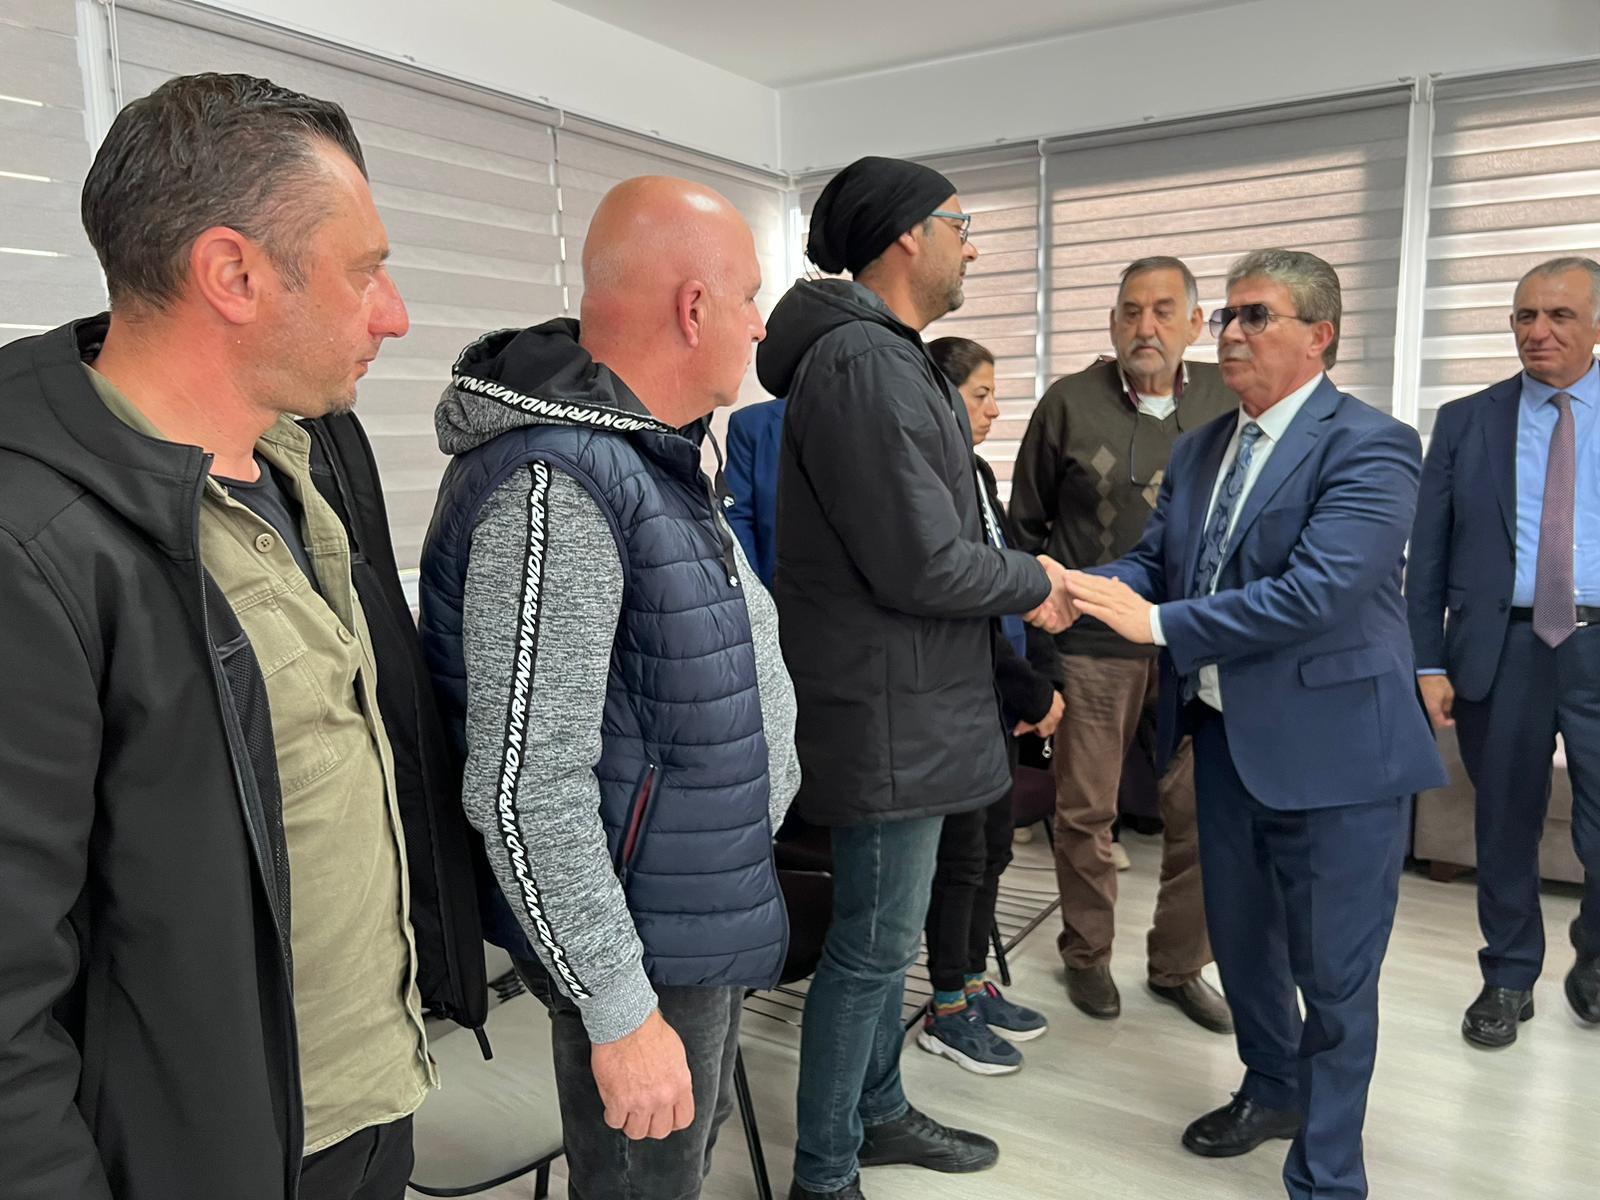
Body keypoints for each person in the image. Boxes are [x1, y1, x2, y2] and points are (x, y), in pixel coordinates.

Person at [0, 73, 487, 1200]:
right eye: (363, 271)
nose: (394, 314)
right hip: (208, 1159)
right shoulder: (37, 544)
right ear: (232, 273)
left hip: (371, 1105)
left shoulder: (308, 459)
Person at [419, 176, 801, 1200]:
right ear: (693, 307)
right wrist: (620, 1010)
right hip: (637, 944)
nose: (761, 323)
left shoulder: (649, 458)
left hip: (688, 904)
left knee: (678, 1167)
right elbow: (525, 787)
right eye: (750, 296)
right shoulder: (560, 484)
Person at [1064, 249, 1446, 1200]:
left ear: (1320, 336)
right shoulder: (1203, 448)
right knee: (1242, 945)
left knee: (1336, 975)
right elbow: (1158, 564)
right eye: (1229, 315)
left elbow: (1316, 593)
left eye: (1256, 316)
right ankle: (1272, 1088)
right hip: (1227, 742)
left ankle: (1329, 1171)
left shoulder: (1374, 445)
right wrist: (1072, 587)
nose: (1229, 333)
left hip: (1339, 754)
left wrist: (1157, 625)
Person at [756, 154, 1074, 1200]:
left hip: (913, 703)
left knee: (883, 944)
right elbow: (923, 562)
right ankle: (824, 1172)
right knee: (869, 947)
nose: (970, 247)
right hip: (888, 712)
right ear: (905, 235)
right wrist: (1037, 580)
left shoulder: (886, 357)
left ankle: (879, 1112)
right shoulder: (864, 364)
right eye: (960, 225)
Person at [1010, 255, 1235, 1030]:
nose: (1146, 327)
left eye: (1164, 311)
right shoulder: (1068, 404)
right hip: (1092, 650)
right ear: (1112, 323)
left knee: (1203, 814)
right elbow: (1025, 532)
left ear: (1196, 323)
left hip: (1195, 644)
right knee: (1085, 813)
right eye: (1131, 311)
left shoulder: (1227, 399)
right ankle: (1087, 956)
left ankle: (1178, 966)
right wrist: (1041, 647)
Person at [1407, 255, 1600, 1047]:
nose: (1537, 331)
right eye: (1525, 316)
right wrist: (1427, 661)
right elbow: (1429, 552)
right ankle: (1508, 976)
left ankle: (1595, 956)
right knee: (1506, 824)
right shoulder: (1468, 420)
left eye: (1559, 315)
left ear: (1597, 325)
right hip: (1503, 647)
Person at [915, 336, 1061, 1076]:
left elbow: (1014, 579)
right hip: (965, 694)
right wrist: (1027, 686)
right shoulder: (930, 483)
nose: (996, 409)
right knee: (962, 858)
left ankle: (973, 983)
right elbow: (966, 606)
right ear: (942, 398)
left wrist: (1040, 682)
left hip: (999, 694)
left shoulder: (974, 472)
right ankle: (945, 1008)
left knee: (995, 848)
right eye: (981, 394)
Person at [726, 395, 787, 589]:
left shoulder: (865, 417)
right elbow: (737, 517)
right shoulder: (753, 424)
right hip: (778, 591)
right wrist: (756, 594)